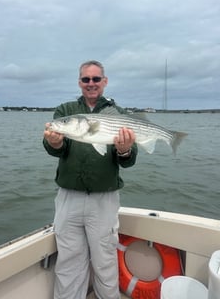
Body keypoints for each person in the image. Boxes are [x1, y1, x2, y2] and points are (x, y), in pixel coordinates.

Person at [43, 60, 138, 299]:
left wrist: (125, 150)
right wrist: (53, 142)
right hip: (68, 197)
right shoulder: (65, 111)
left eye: (96, 79)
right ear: (80, 82)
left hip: (104, 200)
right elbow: (55, 148)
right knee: (68, 261)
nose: (91, 84)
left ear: (105, 82)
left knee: (105, 260)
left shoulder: (119, 115)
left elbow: (128, 160)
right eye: (86, 79)